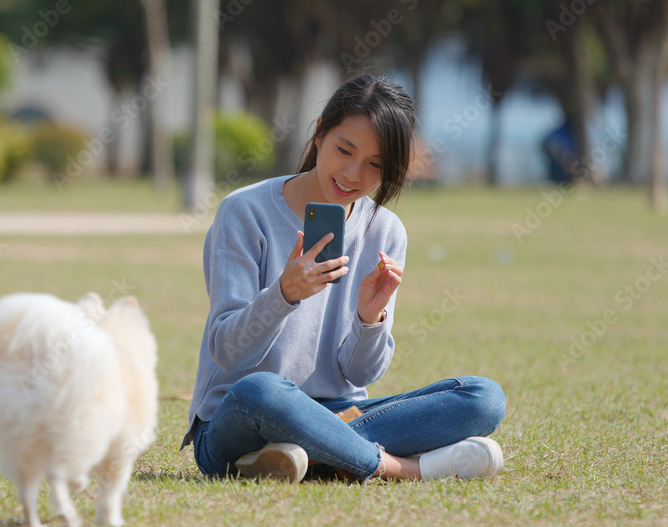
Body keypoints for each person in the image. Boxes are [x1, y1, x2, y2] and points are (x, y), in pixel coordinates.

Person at [180, 75, 506, 483]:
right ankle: (402, 469)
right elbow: (228, 353)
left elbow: (361, 374)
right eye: (344, 150)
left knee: (483, 398)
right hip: (239, 419)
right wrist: (283, 294)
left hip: (339, 412)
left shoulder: (386, 231)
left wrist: (370, 320)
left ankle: (300, 455)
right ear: (319, 133)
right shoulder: (244, 213)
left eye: (375, 165)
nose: (353, 175)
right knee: (260, 391)